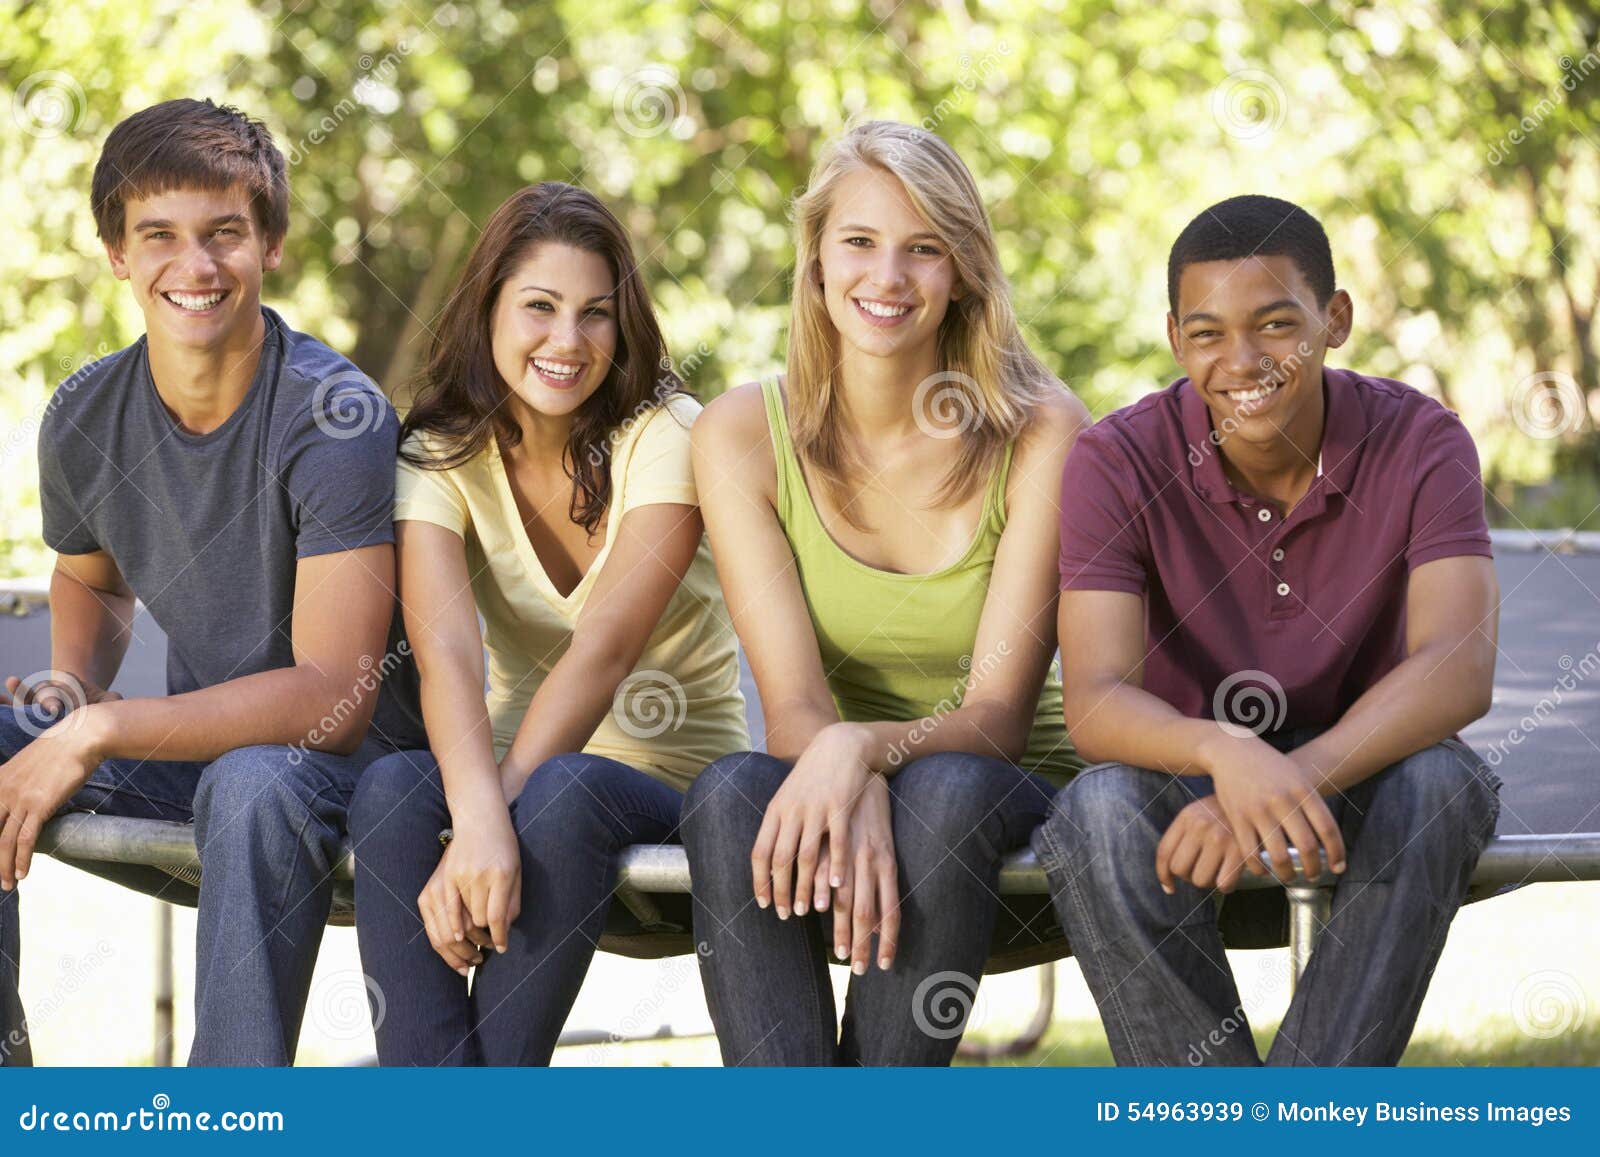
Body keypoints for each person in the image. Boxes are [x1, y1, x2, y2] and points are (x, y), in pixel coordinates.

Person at [0, 98, 425, 1066]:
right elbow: (88, 574)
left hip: (352, 783)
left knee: (252, 778)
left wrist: (99, 726)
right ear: (116, 251)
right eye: (160, 235)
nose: (195, 267)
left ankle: (227, 1113)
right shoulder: (82, 411)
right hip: (202, 764)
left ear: (269, 243)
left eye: (224, 233)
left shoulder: (336, 413)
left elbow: (332, 699)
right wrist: (73, 683)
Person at [1033, 194, 1501, 1066]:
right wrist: (1224, 754)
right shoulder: (1115, 457)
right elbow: (1094, 702)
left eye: (1276, 324)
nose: (1241, 360)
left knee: (1443, 782)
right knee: (1094, 811)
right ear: (1176, 338)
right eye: (1208, 333)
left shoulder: (1421, 440)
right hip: (1188, 795)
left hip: (1362, 779)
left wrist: (1284, 774)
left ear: (1336, 320)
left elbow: (1459, 664)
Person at [682, 121, 1088, 1066]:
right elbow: (791, 706)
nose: (887, 278)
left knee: (942, 787)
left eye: (924, 249)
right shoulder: (742, 434)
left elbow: (994, 714)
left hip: (1010, 797)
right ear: (816, 259)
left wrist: (862, 751)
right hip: (842, 795)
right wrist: (851, 767)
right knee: (731, 787)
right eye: (859, 243)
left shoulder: (1043, 432)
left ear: (964, 273)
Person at [347, 182, 748, 1066]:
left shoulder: (668, 433)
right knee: (389, 792)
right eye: (539, 306)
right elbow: (446, 652)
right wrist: (481, 811)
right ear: (487, 307)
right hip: (516, 786)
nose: (568, 341)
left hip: (672, 793)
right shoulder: (438, 451)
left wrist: (497, 812)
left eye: (595, 314)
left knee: (566, 787)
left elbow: (604, 647)